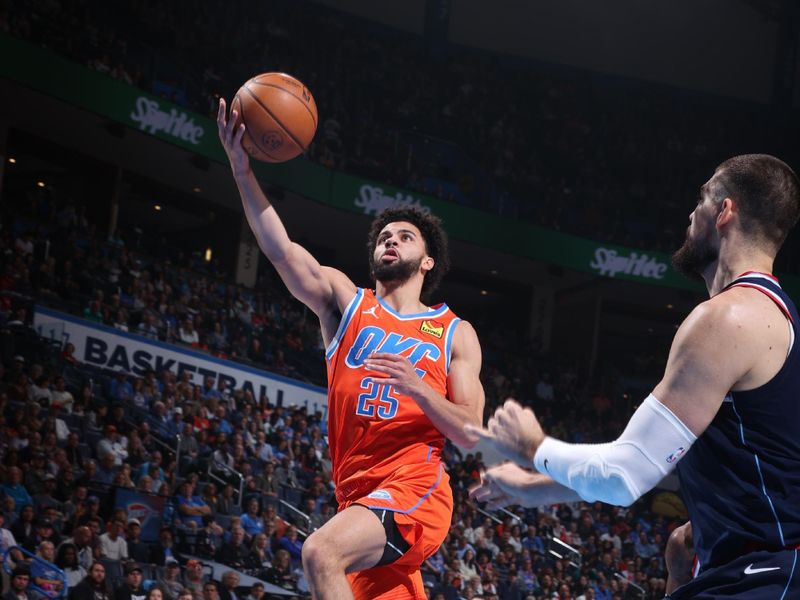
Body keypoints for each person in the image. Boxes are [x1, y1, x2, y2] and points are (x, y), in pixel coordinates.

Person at [468, 154, 800, 598]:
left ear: (725, 212)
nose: (690, 213)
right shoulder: (771, 316)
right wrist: (535, 491)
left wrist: (533, 446)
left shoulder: (729, 319)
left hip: (763, 579)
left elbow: (624, 475)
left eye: (701, 197)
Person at [217, 97, 485, 600]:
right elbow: (280, 250)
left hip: (414, 489)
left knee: (320, 553)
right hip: (357, 499)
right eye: (385, 236)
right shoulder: (346, 301)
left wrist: (419, 389)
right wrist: (240, 169)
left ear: (427, 262)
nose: (391, 241)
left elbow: (471, 433)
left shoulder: (454, 331)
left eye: (405, 237)